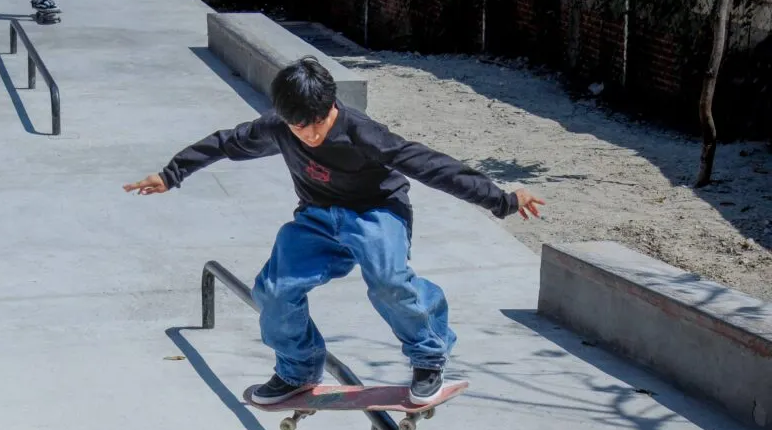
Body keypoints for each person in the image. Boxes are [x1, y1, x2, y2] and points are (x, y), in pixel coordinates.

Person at [123, 56, 544, 406]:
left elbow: (430, 166)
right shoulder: (278, 127)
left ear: (331, 107)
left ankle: (429, 354)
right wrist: (171, 174)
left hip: (377, 214)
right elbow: (225, 142)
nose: (307, 135)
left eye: (315, 126)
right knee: (273, 289)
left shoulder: (364, 134)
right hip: (317, 219)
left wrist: (501, 199)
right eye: (297, 128)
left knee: (388, 281)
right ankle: (298, 369)